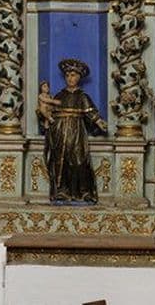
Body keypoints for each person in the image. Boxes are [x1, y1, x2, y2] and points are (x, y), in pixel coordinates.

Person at [44, 58, 108, 203]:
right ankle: (62, 191)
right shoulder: (59, 95)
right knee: (61, 161)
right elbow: (50, 112)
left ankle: (83, 192)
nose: (70, 78)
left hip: (77, 131)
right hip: (60, 131)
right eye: (67, 75)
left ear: (79, 77)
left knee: (79, 161)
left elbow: (91, 112)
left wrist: (99, 122)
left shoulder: (82, 96)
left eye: (73, 75)